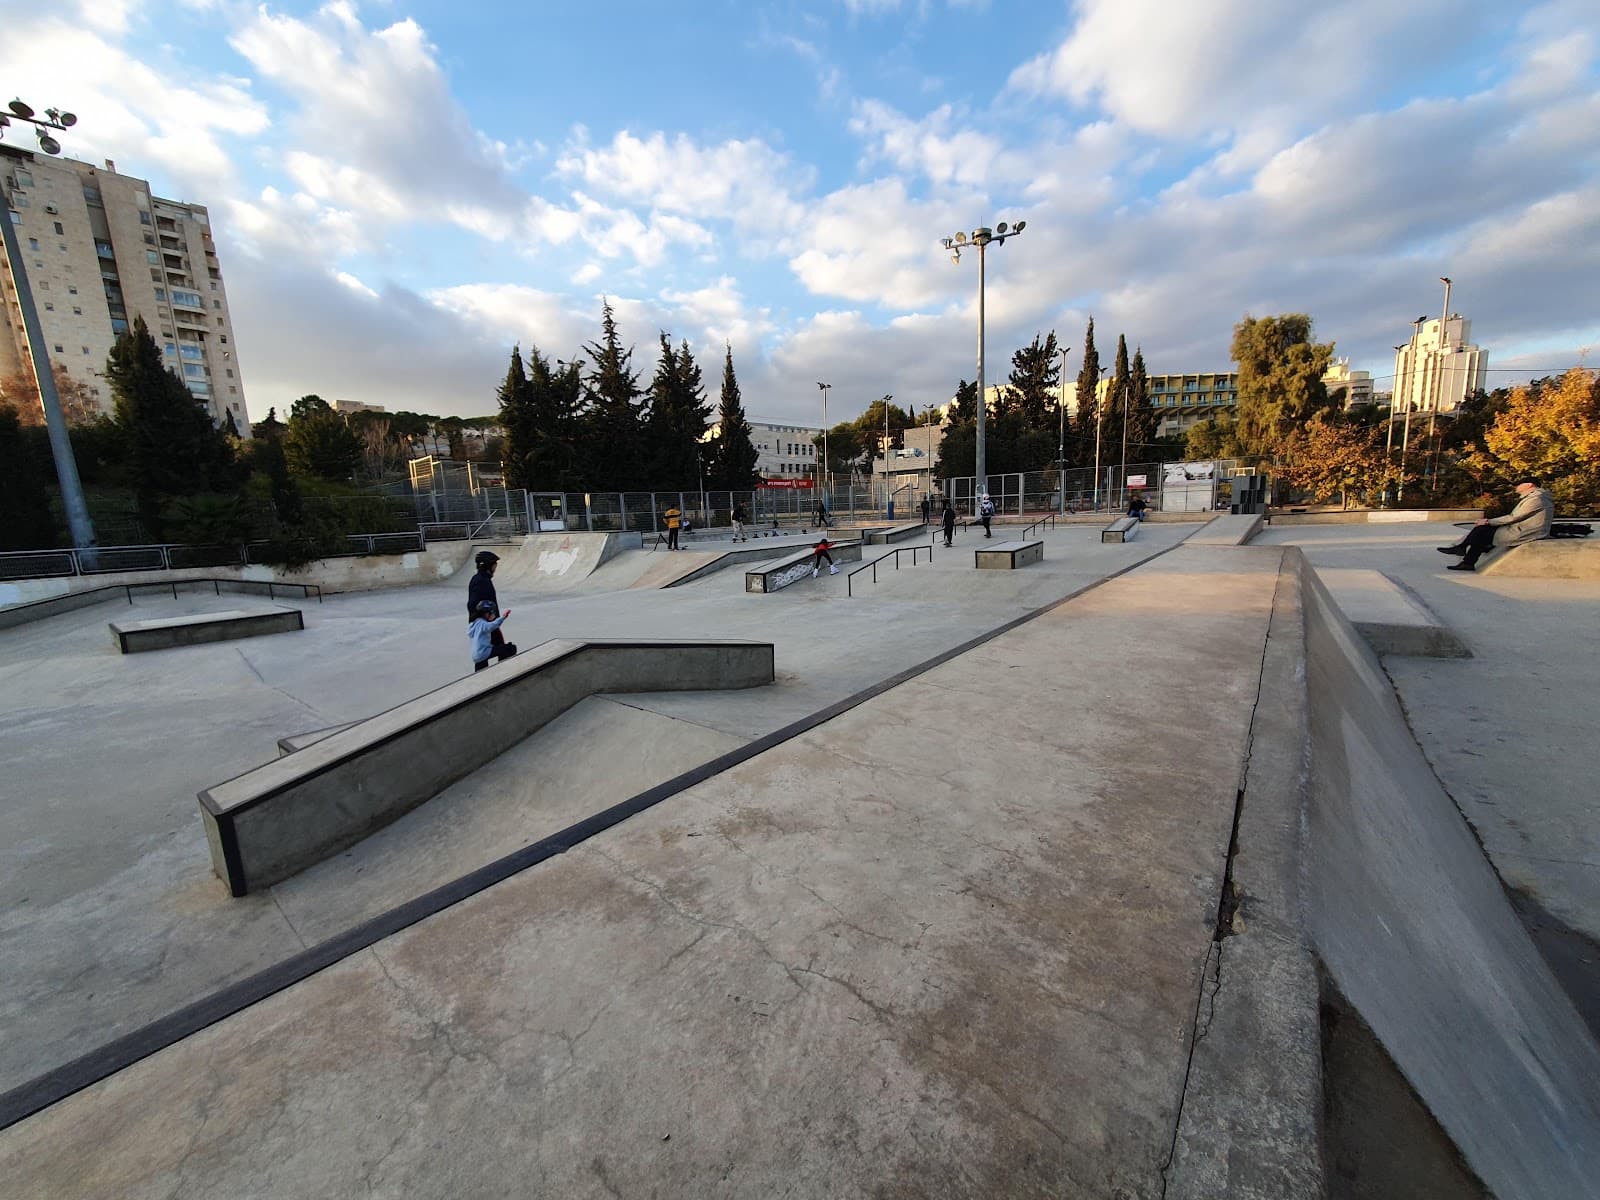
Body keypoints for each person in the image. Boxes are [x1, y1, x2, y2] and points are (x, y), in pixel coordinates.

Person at [1437, 480, 1554, 571]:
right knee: (1482, 529)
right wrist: (1488, 522)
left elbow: (1514, 517)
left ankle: (1465, 556)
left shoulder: (1536, 499)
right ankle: (1465, 557)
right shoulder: (1535, 497)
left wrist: (1488, 521)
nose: (1516, 487)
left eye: (1519, 484)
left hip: (1527, 531)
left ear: (1529, 485)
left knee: (1482, 531)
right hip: (1522, 528)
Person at [467, 549, 511, 660]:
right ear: (487, 566)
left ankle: (485, 675)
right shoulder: (480, 581)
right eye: (494, 565)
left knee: (484, 651)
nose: (495, 568)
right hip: (486, 623)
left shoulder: (482, 579)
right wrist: (485, 617)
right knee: (503, 649)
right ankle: (503, 674)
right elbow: (472, 604)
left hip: (486, 623)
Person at [468, 600, 515, 671]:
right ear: (486, 613)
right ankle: (503, 669)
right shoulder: (481, 623)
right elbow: (491, 626)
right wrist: (503, 617)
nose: (493, 614)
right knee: (510, 648)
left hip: (476, 656)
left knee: (481, 670)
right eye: (492, 612)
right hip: (484, 652)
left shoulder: (474, 623)